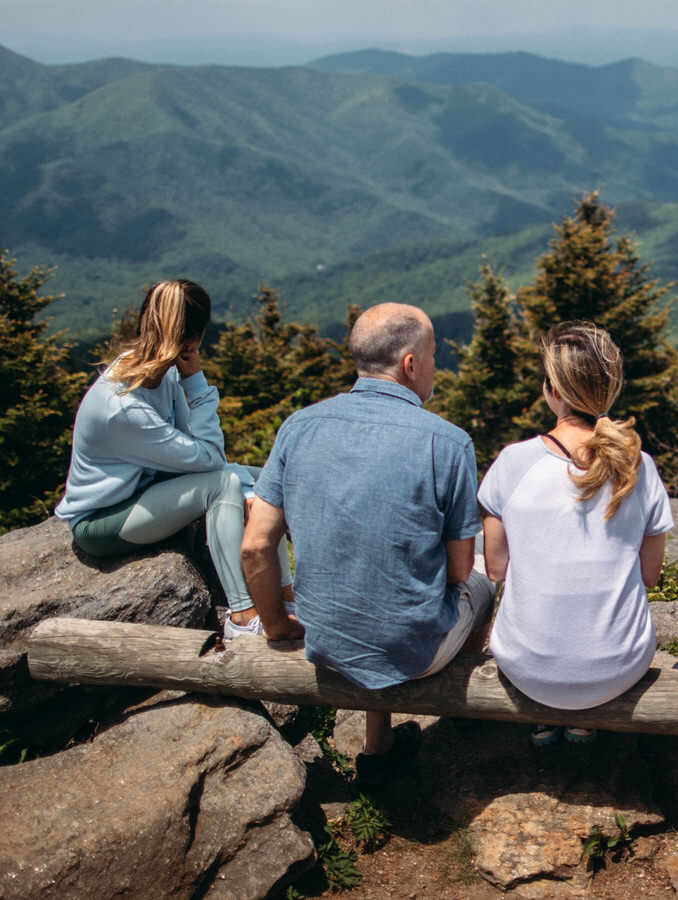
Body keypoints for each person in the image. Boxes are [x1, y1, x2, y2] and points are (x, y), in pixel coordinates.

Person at [241, 303, 494, 785]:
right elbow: (461, 572)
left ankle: (379, 745)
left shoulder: (299, 426)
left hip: (324, 637)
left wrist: (275, 623)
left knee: (371, 569)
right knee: (483, 586)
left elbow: (255, 546)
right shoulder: (449, 442)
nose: (435, 367)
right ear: (411, 364)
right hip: (414, 652)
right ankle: (462, 715)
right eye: (434, 356)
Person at [55, 279, 291, 639]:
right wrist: (196, 381)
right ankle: (242, 617)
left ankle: (285, 597)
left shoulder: (155, 373)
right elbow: (211, 459)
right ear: (193, 339)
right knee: (224, 485)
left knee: (264, 479)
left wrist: (253, 488)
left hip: (144, 491)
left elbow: (196, 451)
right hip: (101, 521)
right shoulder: (125, 407)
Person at [478, 322, 673, 745]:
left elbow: (496, 569)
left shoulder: (513, 463)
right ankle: (586, 722)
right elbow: (650, 575)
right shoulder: (640, 466)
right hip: (619, 667)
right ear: (610, 390)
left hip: (528, 668)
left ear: (552, 391)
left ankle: (545, 718)